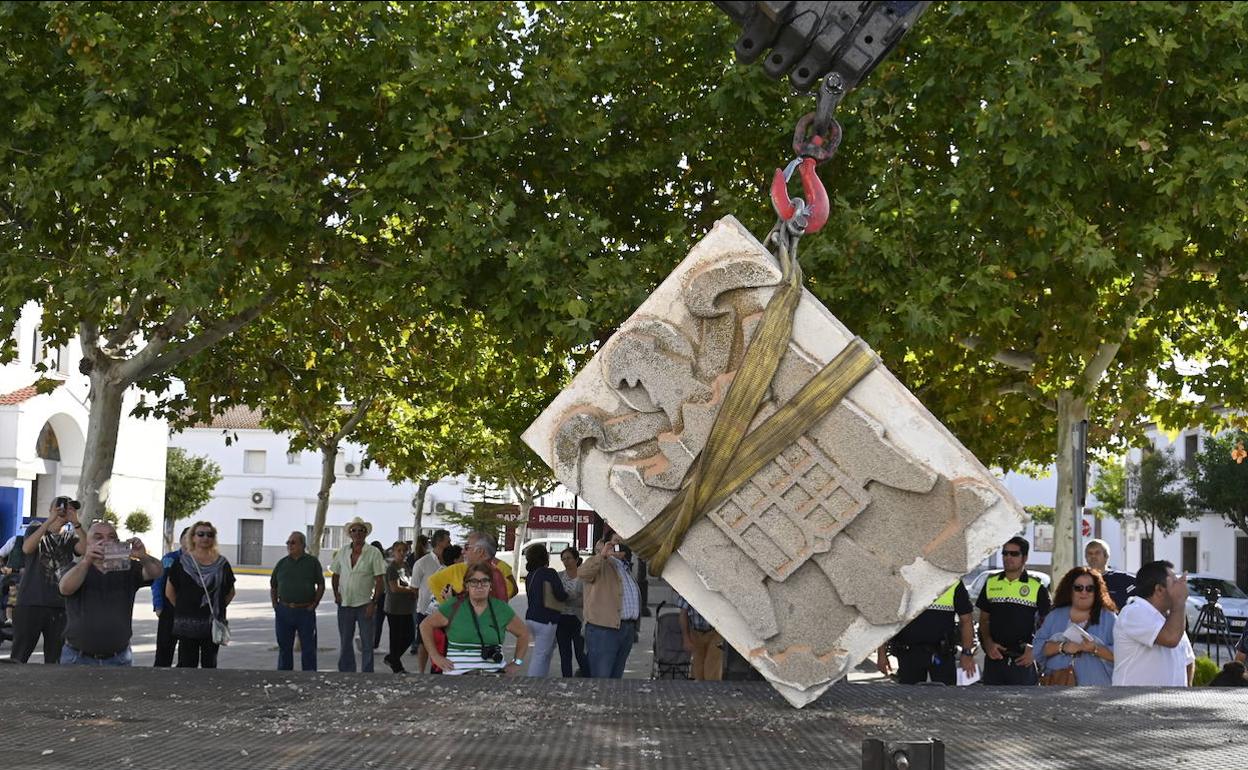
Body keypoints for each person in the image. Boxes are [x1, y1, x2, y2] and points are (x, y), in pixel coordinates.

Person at [57, 520, 162, 665]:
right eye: (98, 537)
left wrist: (143, 556)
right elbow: (65, 588)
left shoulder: (128, 568)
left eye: (111, 537)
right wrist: (87, 560)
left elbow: (156, 572)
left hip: (119, 657)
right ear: (87, 543)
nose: (105, 541)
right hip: (77, 656)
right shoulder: (76, 568)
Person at [10, 497, 86, 663]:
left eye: (70, 509)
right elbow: (27, 548)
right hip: (30, 602)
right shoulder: (35, 529)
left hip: (59, 605)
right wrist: (50, 520)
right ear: (51, 510)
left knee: (56, 657)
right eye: (62, 508)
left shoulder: (69, 538)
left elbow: (85, 549)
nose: (65, 512)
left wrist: (76, 523)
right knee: (20, 654)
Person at [420, 562, 530, 676]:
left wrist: (517, 662)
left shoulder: (501, 608)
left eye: (484, 581)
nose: (479, 586)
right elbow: (425, 625)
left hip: (494, 676)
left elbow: (523, 633)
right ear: (466, 585)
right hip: (456, 676)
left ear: (490, 585)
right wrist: (435, 656)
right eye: (474, 582)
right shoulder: (454, 606)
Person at [976, 537, 1050, 685]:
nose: (1008, 557)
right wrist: (988, 643)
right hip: (995, 658)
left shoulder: (1036, 586)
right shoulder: (991, 582)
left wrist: (1035, 649)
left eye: (1014, 554)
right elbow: (984, 619)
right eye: (1005, 553)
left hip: (1023, 660)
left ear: (1025, 558)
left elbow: (1049, 623)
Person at [876, 580, 977, 685]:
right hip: (909, 654)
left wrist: (967, 653)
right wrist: (881, 653)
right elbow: (885, 618)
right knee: (909, 694)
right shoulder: (903, 578)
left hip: (942, 654)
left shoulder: (953, 581)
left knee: (945, 694)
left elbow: (966, 620)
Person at [1112, 560, 1195, 686]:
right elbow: (1171, 638)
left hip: (1171, 698)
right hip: (1135, 698)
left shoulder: (1171, 617)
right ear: (1159, 589)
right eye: (1174, 582)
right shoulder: (1134, 612)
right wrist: (1179, 601)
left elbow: (1188, 660)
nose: (1180, 587)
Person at [166, 520, 236, 668]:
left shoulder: (222, 564)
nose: (205, 538)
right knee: (186, 664)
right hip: (187, 624)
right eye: (201, 534)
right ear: (193, 537)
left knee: (209, 664)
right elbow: (170, 591)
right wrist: (183, 609)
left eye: (210, 535)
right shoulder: (181, 562)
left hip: (212, 624)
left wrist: (217, 608)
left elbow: (230, 592)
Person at [1035, 567, 1117, 685]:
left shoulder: (1109, 618)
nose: (1084, 592)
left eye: (1090, 588)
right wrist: (1062, 647)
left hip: (1097, 690)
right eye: (1078, 588)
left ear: (1097, 591)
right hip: (1058, 689)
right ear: (1070, 590)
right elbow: (1037, 650)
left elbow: (1123, 655)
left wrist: (1094, 649)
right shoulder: (1054, 616)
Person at [580, 535, 642, 678]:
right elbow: (583, 573)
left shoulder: (625, 567)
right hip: (604, 630)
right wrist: (602, 555)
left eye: (623, 540)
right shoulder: (601, 563)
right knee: (602, 679)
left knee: (616, 678)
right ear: (606, 544)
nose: (620, 544)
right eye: (616, 541)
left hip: (626, 629)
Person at [330, 516, 386, 672]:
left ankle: (367, 673)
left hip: (365, 605)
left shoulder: (373, 552)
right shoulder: (342, 552)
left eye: (361, 530)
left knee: (367, 643)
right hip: (345, 604)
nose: (357, 533)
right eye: (354, 530)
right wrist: (336, 594)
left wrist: (373, 603)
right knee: (345, 641)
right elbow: (335, 574)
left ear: (366, 533)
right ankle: (347, 672)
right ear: (350, 533)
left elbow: (379, 580)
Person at [270, 530, 325, 671]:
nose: (289, 545)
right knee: (284, 648)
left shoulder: (312, 562)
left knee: (308, 648)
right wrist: (275, 605)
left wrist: (315, 603)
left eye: (293, 542)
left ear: (302, 545)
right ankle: (284, 675)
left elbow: (321, 584)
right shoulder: (282, 563)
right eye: (288, 543)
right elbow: (273, 585)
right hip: (284, 611)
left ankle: (309, 676)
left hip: (305, 611)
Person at [523, 542, 568, 678]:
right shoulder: (550, 573)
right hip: (547, 618)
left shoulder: (530, 575)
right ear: (545, 557)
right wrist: (569, 595)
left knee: (546, 651)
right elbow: (560, 594)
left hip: (532, 617)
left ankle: (542, 678)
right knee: (541, 654)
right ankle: (534, 681)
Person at [426, 533, 510, 605]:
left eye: (467, 547)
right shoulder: (493, 572)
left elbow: (474, 612)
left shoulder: (482, 576)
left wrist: (450, 601)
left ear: (480, 551)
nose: (463, 551)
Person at [410, 529, 450, 667]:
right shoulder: (422, 563)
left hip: (447, 610)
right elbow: (414, 587)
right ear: (439, 542)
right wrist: (424, 602)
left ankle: (441, 668)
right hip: (425, 609)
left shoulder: (451, 561)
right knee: (423, 642)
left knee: (445, 641)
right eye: (448, 541)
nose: (450, 544)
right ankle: (421, 672)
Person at [153, 527, 189, 667]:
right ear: (181, 540)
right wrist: (158, 605)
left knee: (186, 654)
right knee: (164, 650)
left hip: (189, 613)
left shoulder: (200, 561)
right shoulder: (169, 559)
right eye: (186, 537)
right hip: (169, 611)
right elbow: (157, 583)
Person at [382, 540, 417, 673]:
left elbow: (410, 581)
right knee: (396, 637)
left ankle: (392, 658)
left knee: (410, 635)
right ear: (393, 552)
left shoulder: (406, 565)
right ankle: (396, 665)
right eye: (399, 550)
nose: (402, 553)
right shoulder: (392, 568)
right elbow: (394, 588)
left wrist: (413, 591)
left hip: (407, 607)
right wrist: (411, 591)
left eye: (404, 550)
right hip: (395, 608)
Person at [556, 547, 590, 678]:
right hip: (562, 619)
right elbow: (555, 596)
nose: (566, 561)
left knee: (580, 653)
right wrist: (574, 597)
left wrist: (568, 599)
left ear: (576, 559)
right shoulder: (559, 576)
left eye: (569, 558)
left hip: (578, 619)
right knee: (565, 654)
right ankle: (567, 680)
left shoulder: (583, 577)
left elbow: (586, 599)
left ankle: (587, 678)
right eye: (563, 559)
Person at [1085, 538, 1134, 611]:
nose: (1093, 556)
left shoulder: (1122, 579)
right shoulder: (1080, 580)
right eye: (1090, 553)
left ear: (1106, 556)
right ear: (1086, 557)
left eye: (1097, 553)